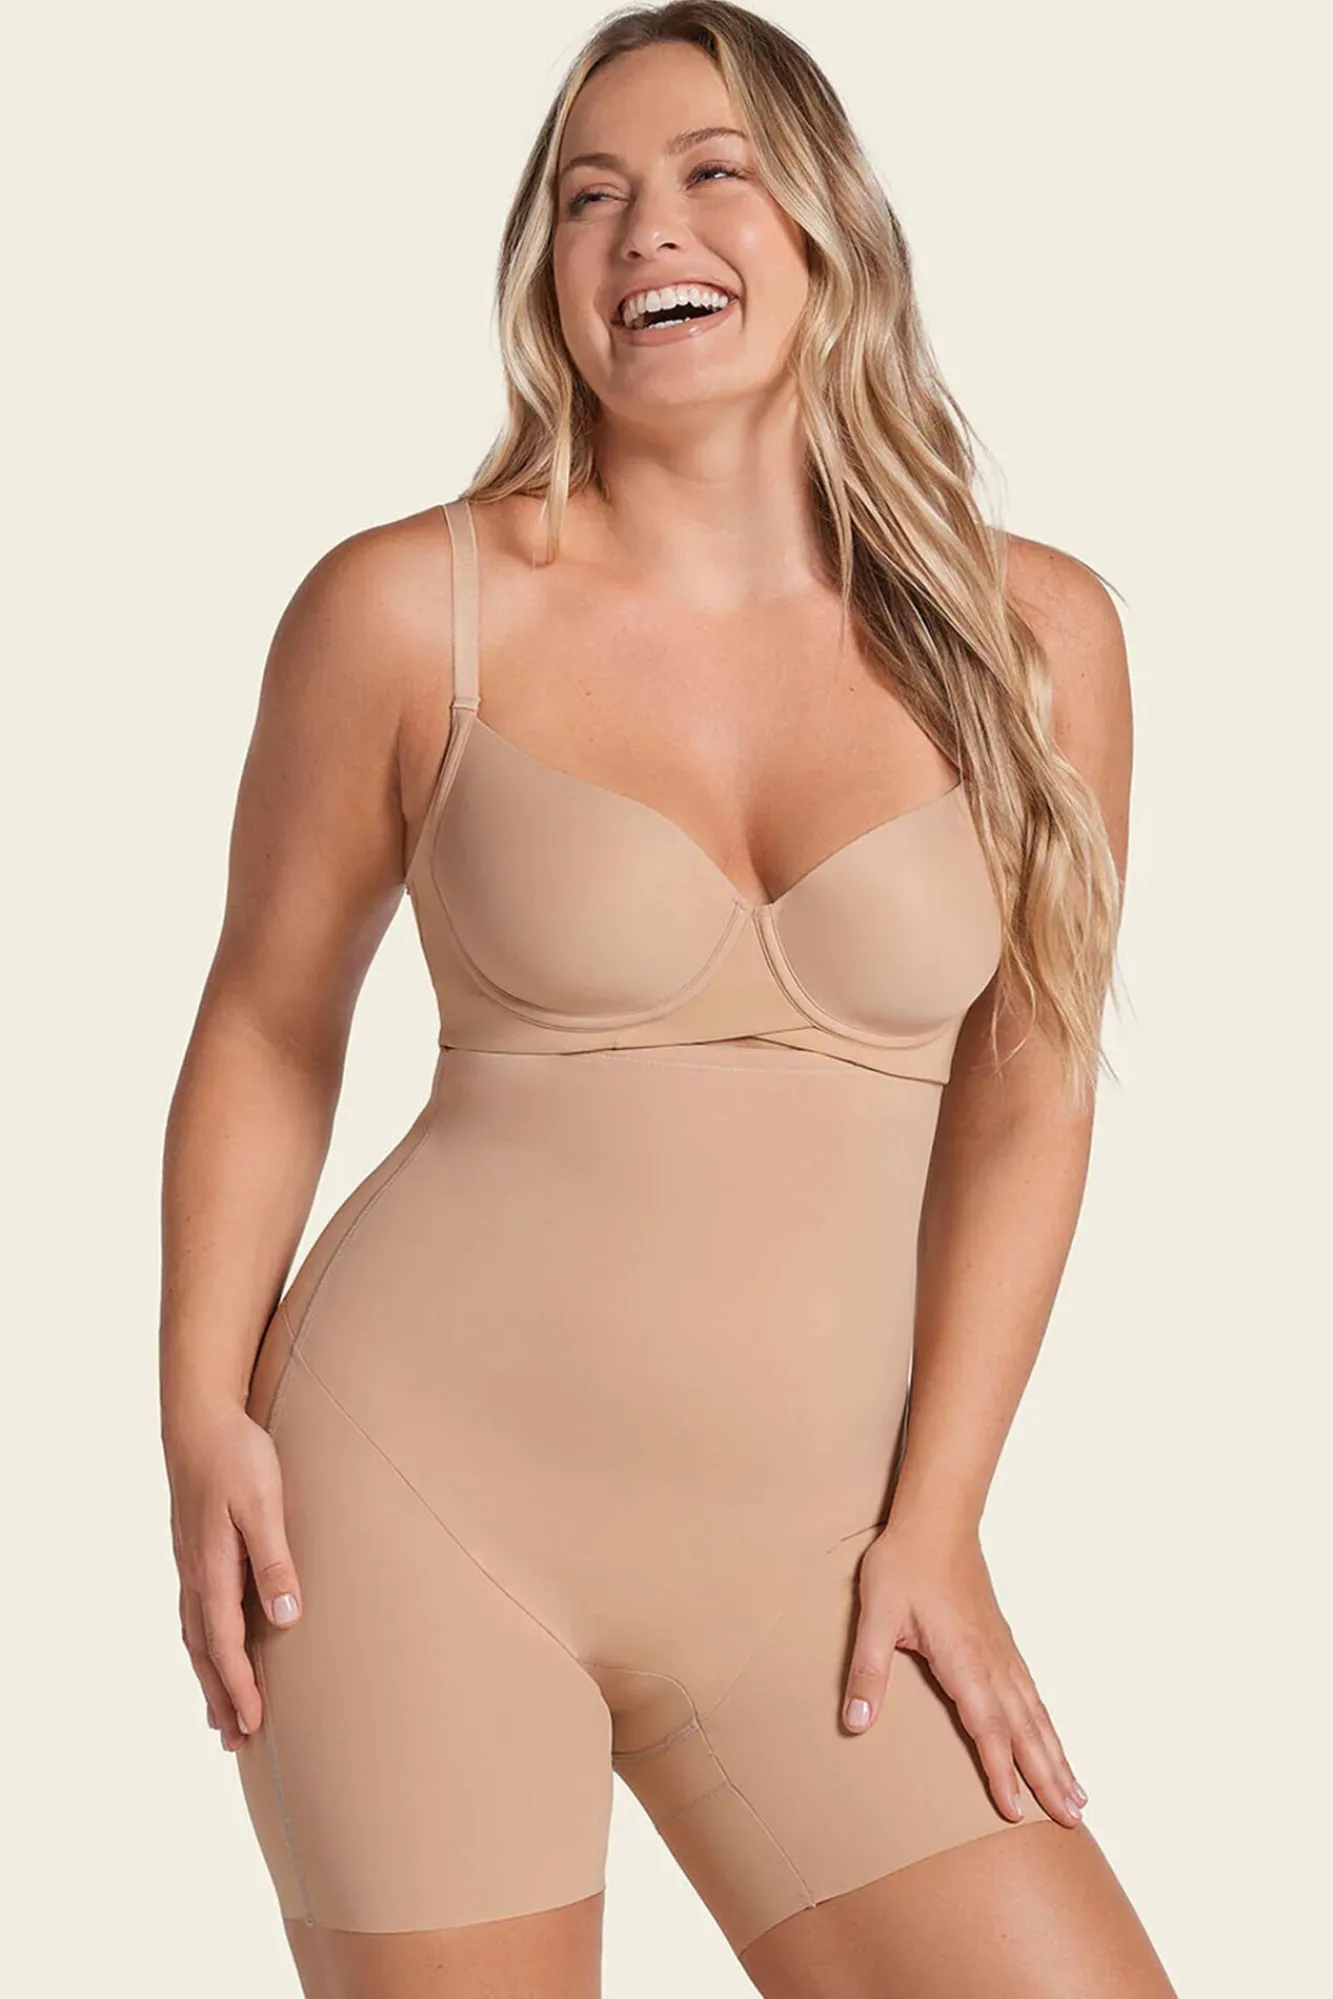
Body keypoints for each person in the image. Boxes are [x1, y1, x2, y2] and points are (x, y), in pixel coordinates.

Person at [159, 5, 1176, 1994]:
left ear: (826, 230)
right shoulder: (408, 610)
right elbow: (268, 1023)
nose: (648, 231)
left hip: (829, 1561)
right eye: (589, 197)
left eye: (715, 173)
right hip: (413, 1505)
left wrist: (942, 1519)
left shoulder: (1038, 636)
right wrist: (200, 1412)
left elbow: (1031, 1097)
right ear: (548, 272)